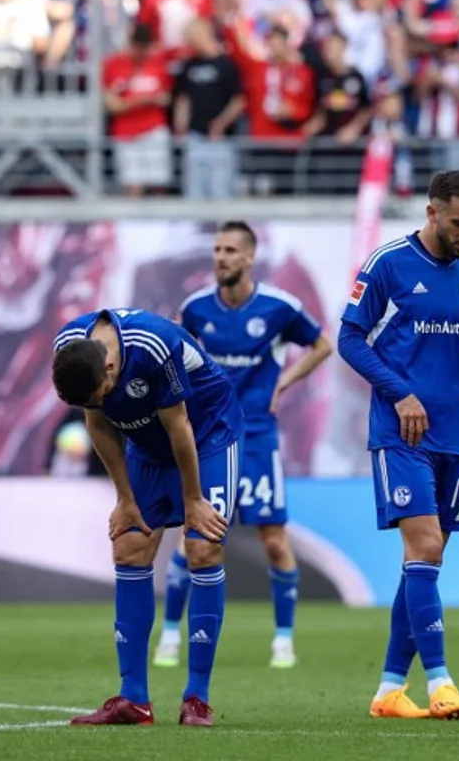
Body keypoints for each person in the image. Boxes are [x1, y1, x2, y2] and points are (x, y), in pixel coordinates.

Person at [338, 170, 459, 720]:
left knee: (423, 563)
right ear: (432, 213)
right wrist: (400, 394)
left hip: (455, 435)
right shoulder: (389, 264)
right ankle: (440, 683)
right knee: (425, 548)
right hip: (401, 432)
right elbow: (348, 338)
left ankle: (388, 690)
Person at [52, 307, 243, 727]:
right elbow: (98, 425)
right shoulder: (71, 349)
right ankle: (134, 699)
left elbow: (180, 426)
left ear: (109, 363)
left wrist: (193, 498)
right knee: (129, 544)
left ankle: (197, 697)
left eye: (102, 392)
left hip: (207, 431)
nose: (101, 402)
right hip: (147, 443)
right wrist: (124, 498)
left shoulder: (154, 344)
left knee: (203, 546)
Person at [155, 221, 335, 670]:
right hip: (212, 438)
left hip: (257, 438)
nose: (221, 257)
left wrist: (284, 383)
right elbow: (176, 355)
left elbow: (322, 346)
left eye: (231, 250)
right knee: (192, 536)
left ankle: (283, 640)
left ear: (250, 258)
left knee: (273, 539)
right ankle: (171, 636)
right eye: (217, 249)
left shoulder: (278, 307)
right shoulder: (195, 308)